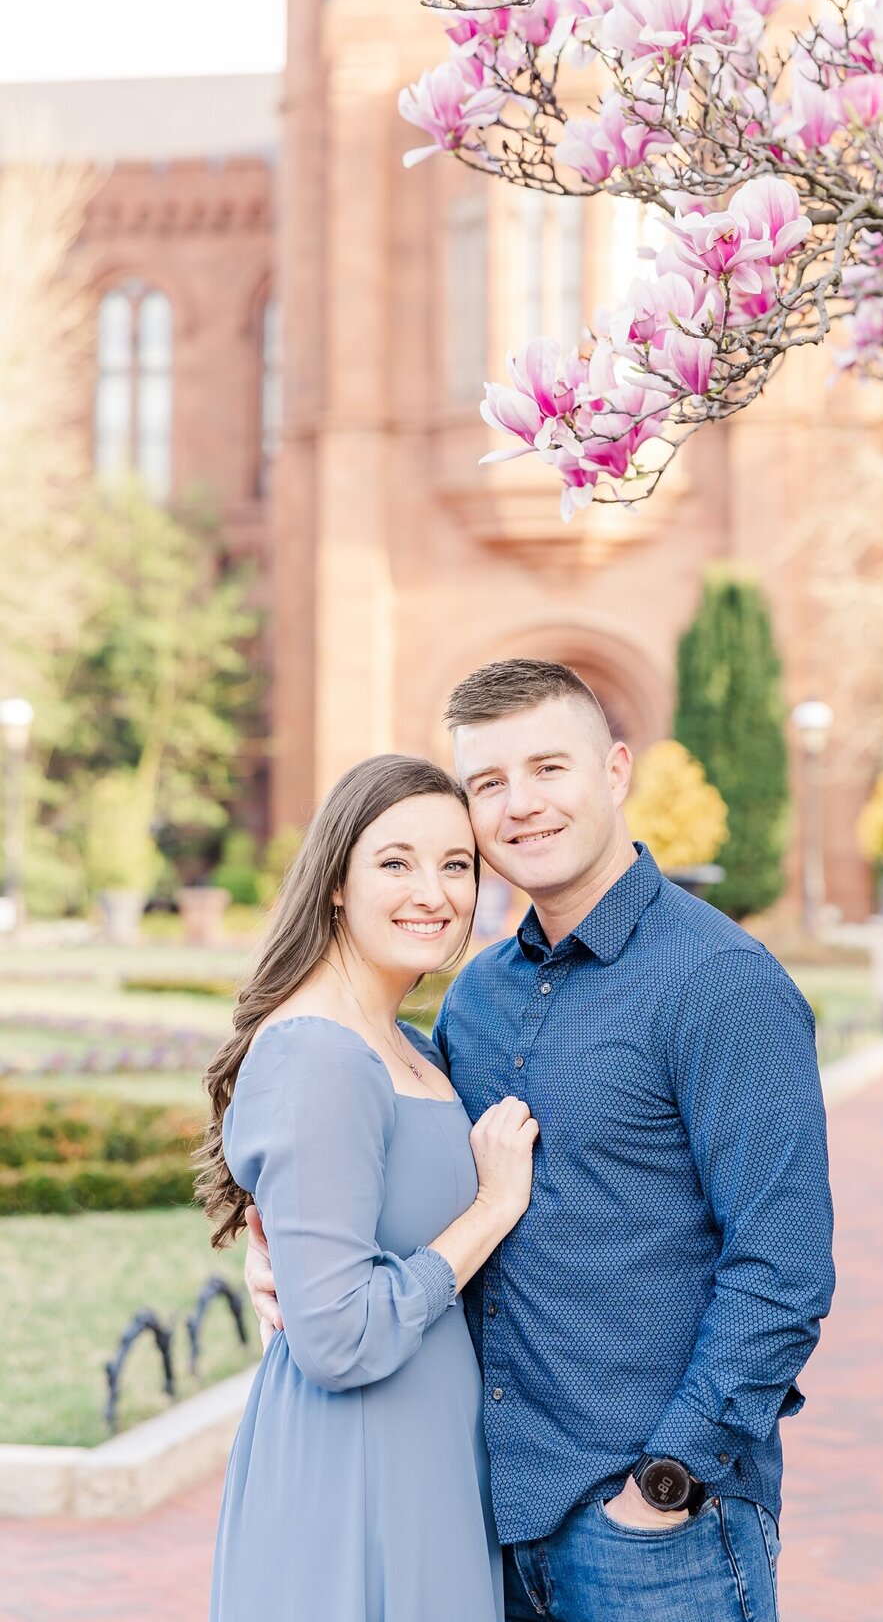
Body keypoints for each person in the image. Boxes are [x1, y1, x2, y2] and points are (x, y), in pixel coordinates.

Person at [246, 659, 835, 1622]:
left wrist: (667, 1485)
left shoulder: (722, 982)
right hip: (487, 1518)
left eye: (548, 769)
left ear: (613, 771)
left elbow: (783, 1268)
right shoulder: (477, 995)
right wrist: (276, 1241)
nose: (520, 805)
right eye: (488, 783)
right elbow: (360, 1134)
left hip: (652, 1532)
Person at [200, 753, 539, 1622]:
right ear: (338, 882)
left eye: (456, 865)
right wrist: (491, 1210)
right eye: (396, 862)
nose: (434, 892)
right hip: (353, 1478)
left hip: (428, 1464)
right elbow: (339, 1340)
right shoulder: (322, 1053)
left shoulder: (410, 1046)